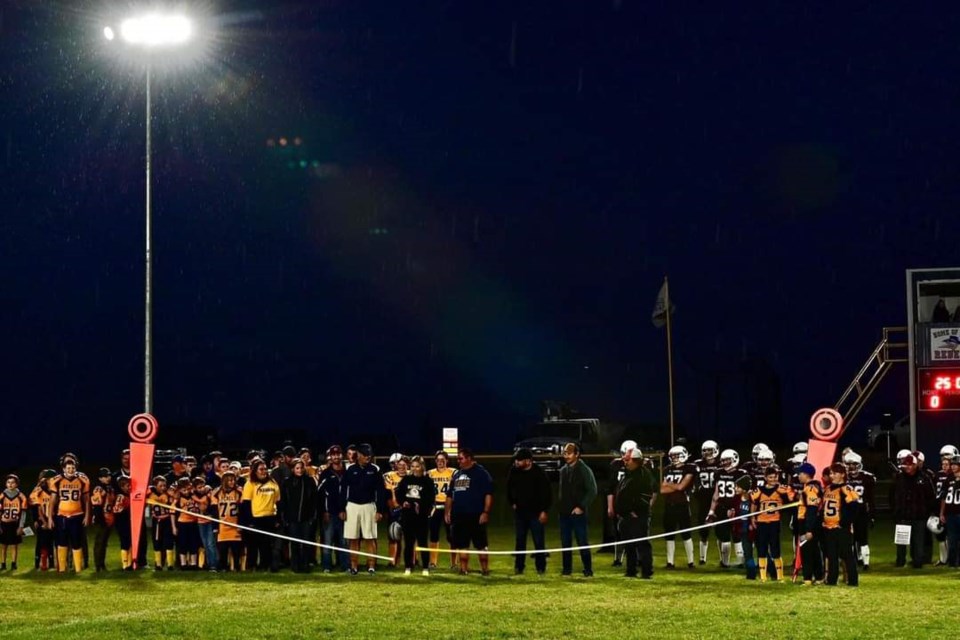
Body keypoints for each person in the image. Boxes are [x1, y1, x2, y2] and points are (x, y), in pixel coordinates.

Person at [445, 447, 494, 575]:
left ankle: (484, 569)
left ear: (469, 458)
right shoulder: (457, 475)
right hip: (459, 516)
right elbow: (450, 495)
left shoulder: (481, 473)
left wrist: (485, 512)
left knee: (481, 544)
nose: (458, 461)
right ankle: (463, 569)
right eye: (458, 459)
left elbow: (488, 494)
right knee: (462, 544)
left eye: (461, 458)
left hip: (476, 515)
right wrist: (447, 511)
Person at [339, 443, 385, 575]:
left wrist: (380, 510)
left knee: (370, 537)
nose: (367, 457)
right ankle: (354, 566)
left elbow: (380, 491)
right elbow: (343, 491)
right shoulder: (350, 469)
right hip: (352, 506)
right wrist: (342, 508)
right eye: (365, 454)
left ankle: (371, 566)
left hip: (369, 506)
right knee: (353, 538)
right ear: (358, 455)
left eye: (369, 454)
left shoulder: (375, 469)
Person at [506, 448, 551, 575]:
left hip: (536, 514)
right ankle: (519, 567)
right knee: (520, 541)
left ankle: (541, 567)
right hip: (520, 513)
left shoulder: (539, 473)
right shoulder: (514, 471)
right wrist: (512, 503)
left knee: (538, 541)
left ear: (528, 461)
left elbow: (546, 493)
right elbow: (509, 488)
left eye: (519, 460)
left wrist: (544, 511)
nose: (517, 462)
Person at [614, 445, 656, 579]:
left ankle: (646, 571)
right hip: (625, 516)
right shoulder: (628, 474)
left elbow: (646, 496)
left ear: (636, 460)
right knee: (628, 545)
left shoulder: (644, 475)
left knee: (642, 544)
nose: (625, 462)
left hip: (638, 516)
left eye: (628, 460)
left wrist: (634, 511)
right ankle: (631, 570)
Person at [749, 465, 795, 581]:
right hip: (762, 523)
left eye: (775, 477)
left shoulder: (781, 489)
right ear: (765, 478)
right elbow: (754, 504)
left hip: (774, 522)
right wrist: (753, 518)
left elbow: (791, 499)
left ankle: (780, 577)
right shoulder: (759, 491)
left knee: (775, 550)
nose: (773, 480)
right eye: (770, 477)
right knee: (762, 550)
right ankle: (763, 577)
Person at [557, 442, 597, 577]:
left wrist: (581, 506)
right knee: (565, 542)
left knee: (582, 541)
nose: (566, 456)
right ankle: (566, 569)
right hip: (564, 513)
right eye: (565, 453)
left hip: (579, 514)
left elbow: (592, 490)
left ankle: (588, 569)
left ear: (577, 454)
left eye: (569, 453)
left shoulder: (584, 470)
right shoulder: (563, 471)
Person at [48, 454, 91, 573]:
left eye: (72, 468)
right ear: (63, 469)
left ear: (76, 468)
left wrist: (87, 515)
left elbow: (86, 499)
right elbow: (52, 500)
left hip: (77, 515)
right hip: (61, 515)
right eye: (68, 468)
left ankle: (78, 568)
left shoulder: (83, 479)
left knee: (77, 541)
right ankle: (62, 568)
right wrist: (50, 517)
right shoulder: (56, 480)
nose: (70, 470)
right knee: (61, 542)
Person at [893, 453, 936, 568]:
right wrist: (896, 510)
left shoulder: (924, 478)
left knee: (918, 542)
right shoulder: (899, 478)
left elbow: (931, 496)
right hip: (903, 515)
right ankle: (900, 561)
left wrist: (927, 511)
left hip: (919, 516)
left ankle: (918, 562)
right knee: (901, 542)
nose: (907, 467)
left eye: (910, 464)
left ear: (915, 465)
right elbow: (894, 495)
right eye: (905, 464)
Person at [708, 449, 748, 567]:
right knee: (723, 535)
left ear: (734, 459)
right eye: (723, 460)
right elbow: (716, 494)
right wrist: (711, 511)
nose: (724, 463)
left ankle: (741, 561)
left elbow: (745, 493)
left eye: (727, 460)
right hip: (721, 507)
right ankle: (725, 562)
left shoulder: (741, 473)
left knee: (737, 535)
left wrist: (739, 508)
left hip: (736, 507)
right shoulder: (718, 473)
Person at [821, 463, 859, 586]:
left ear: (842, 474)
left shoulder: (845, 488)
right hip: (828, 527)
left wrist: (844, 523)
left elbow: (854, 507)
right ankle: (832, 580)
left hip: (840, 528)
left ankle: (853, 581)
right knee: (831, 555)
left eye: (835, 473)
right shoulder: (827, 488)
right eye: (831, 473)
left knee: (847, 555)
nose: (832, 476)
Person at [395, 456, 435, 575]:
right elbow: (399, 494)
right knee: (408, 543)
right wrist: (403, 502)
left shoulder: (427, 481)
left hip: (421, 517)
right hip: (408, 516)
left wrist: (421, 505)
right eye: (412, 466)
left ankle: (425, 568)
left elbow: (431, 498)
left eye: (417, 466)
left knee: (423, 542)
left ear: (422, 467)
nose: (414, 469)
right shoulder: (406, 480)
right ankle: (408, 566)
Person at [660, 445, 697, 569]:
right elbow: (662, 490)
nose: (675, 458)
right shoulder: (667, 469)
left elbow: (682, 487)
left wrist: (669, 485)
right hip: (669, 505)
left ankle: (691, 561)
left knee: (686, 533)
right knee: (669, 534)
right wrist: (675, 486)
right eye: (673, 456)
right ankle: (670, 562)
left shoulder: (689, 468)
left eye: (677, 455)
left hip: (683, 505)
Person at [241, 459, 282, 572]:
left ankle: (264, 566)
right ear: (255, 471)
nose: (264, 471)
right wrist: (249, 521)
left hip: (269, 517)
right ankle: (251, 566)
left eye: (265, 469)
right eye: (261, 469)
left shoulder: (273, 482)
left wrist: (277, 519)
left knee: (266, 545)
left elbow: (278, 502)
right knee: (252, 545)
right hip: (255, 518)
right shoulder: (250, 484)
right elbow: (246, 504)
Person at [280, 459, 318, 573]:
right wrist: (285, 517)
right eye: (297, 468)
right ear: (292, 469)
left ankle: (305, 565)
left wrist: (312, 516)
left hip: (306, 518)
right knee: (295, 544)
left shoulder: (309, 481)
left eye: (301, 468)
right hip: (292, 519)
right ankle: (295, 566)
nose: (300, 470)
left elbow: (314, 500)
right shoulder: (287, 482)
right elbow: (283, 501)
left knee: (306, 543)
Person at [318, 445, 349, 573]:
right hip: (329, 513)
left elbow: (349, 493)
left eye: (338, 454)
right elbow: (320, 494)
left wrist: (345, 510)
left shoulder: (348, 472)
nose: (336, 456)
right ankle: (327, 566)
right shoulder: (325, 473)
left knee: (343, 542)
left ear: (342, 455)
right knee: (328, 541)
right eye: (333, 454)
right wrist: (324, 511)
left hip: (344, 513)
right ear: (330, 456)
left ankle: (345, 566)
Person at [843, 450, 876, 570]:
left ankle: (865, 563)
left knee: (863, 538)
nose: (851, 467)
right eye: (849, 464)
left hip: (861, 511)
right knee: (850, 539)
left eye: (854, 464)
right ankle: (854, 560)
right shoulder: (843, 477)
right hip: (848, 511)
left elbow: (870, 498)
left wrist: (871, 514)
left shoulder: (867, 478)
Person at [796, 462, 824, 585]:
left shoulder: (810, 488)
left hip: (808, 523)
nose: (798, 476)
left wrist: (809, 529)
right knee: (814, 551)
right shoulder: (812, 487)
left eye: (800, 473)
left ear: (806, 474)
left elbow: (812, 509)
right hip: (812, 523)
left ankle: (807, 578)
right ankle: (818, 577)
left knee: (807, 551)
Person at [693, 440, 720, 565]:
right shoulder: (697, 464)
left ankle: (723, 560)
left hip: (718, 500)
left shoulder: (721, 464)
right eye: (705, 450)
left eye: (710, 450)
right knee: (703, 530)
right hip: (703, 499)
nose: (707, 453)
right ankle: (702, 558)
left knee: (721, 530)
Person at [427, 451, 455, 569]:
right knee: (434, 534)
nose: (440, 462)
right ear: (435, 461)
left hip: (449, 505)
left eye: (443, 460)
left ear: (447, 461)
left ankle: (454, 563)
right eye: (438, 460)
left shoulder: (453, 472)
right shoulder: (430, 473)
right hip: (435, 506)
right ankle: (433, 562)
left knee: (452, 536)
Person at [0, 474, 29, 571]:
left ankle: (13, 564)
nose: (10, 484)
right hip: (4, 524)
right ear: (5, 484)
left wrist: (21, 526)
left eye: (12, 482)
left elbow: (23, 513)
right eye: (8, 482)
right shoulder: (2, 496)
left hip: (15, 524)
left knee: (14, 545)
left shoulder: (22, 497)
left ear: (17, 484)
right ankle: (3, 564)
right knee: (3, 545)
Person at [29, 470, 56, 571]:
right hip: (42, 519)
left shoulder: (55, 490)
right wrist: (36, 519)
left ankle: (52, 563)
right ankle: (38, 563)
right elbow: (33, 505)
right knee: (41, 542)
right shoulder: (38, 490)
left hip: (53, 519)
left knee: (51, 542)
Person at [148, 476, 176, 571]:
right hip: (157, 521)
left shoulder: (168, 494)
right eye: (160, 486)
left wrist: (172, 495)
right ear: (155, 486)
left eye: (164, 485)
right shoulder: (151, 494)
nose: (163, 488)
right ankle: (158, 564)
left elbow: (175, 500)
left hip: (167, 520)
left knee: (168, 542)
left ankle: (170, 564)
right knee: (157, 542)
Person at [91, 467, 116, 572]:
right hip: (102, 518)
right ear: (100, 478)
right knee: (100, 543)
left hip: (109, 518)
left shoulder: (110, 488)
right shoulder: (99, 489)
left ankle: (102, 564)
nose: (108, 478)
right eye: (105, 476)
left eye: (109, 476)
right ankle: (98, 565)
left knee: (104, 543)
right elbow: (97, 505)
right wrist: (100, 519)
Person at [938, 454, 960, 567]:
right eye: (953, 464)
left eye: (956, 464)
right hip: (950, 514)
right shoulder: (949, 478)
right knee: (952, 539)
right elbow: (943, 497)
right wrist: (942, 513)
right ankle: (952, 562)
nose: (953, 467)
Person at [192, 476, 217, 570]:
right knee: (205, 544)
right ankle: (209, 563)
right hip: (200, 522)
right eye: (199, 487)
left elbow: (213, 506)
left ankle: (214, 564)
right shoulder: (193, 495)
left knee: (211, 543)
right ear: (195, 488)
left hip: (209, 521)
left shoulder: (209, 494)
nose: (202, 489)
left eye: (203, 486)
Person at [175, 477, 200, 570]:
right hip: (183, 523)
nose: (186, 492)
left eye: (187, 489)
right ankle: (183, 564)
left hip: (193, 523)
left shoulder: (194, 496)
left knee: (193, 543)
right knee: (183, 544)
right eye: (183, 490)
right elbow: (173, 512)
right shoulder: (178, 499)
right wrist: (174, 527)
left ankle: (193, 563)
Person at [113, 476, 133, 570]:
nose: (130, 487)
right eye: (127, 485)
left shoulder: (129, 495)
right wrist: (126, 507)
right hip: (122, 522)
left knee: (130, 542)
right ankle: (125, 564)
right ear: (122, 487)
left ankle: (130, 563)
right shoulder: (121, 496)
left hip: (128, 521)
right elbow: (117, 510)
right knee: (125, 542)